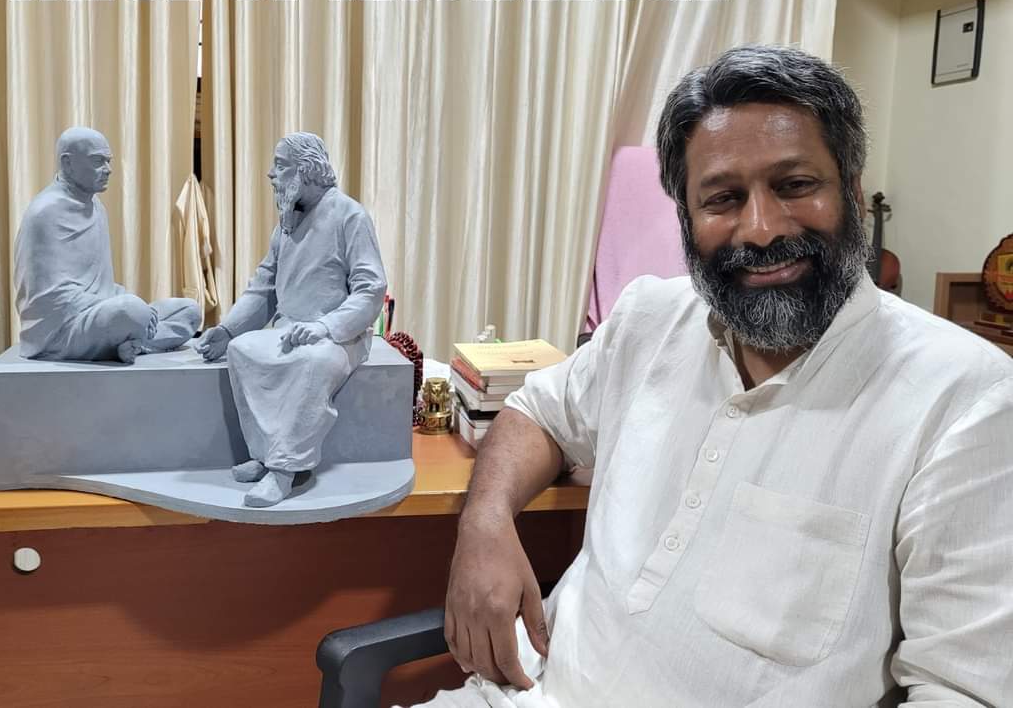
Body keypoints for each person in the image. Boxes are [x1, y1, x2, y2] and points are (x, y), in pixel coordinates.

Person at [417, 46, 1013, 707]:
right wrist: (485, 524)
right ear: (687, 218)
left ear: (850, 189)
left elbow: (964, 691)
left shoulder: (967, 400)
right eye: (723, 198)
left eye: (795, 185)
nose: (760, 229)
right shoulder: (648, 318)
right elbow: (538, 413)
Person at [196, 133, 386, 508]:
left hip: (338, 338)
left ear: (307, 170)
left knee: (314, 364)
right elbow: (263, 286)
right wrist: (228, 329)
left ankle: (284, 470)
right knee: (242, 349)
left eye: (280, 165)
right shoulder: (287, 222)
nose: (271, 174)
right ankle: (265, 455)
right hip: (289, 330)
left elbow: (371, 288)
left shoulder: (350, 216)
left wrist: (324, 327)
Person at [14, 127, 201, 364]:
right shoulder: (44, 213)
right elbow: (47, 299)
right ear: (68, 163)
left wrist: (125, 298)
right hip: (61, 329)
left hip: (98, 312)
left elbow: (100, 285)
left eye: (108, 161)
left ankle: (131, 343)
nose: (108, 169)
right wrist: (124, 305)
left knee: (189, 311)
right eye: (98, 161)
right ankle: (134, 340)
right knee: (131, 311)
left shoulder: (97, 207)